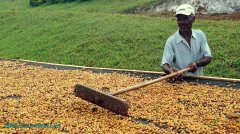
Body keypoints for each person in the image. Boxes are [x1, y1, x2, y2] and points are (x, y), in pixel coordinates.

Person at [161, 4, 211, 76]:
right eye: (179, 19)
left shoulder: (200, 35)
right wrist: (170, 71)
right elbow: (165, 64)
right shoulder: (171, 41)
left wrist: (197, 63)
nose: (182, 22)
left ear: (193, 19)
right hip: (180, 83)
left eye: (185, 18)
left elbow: (208, 57)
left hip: (198, 81)